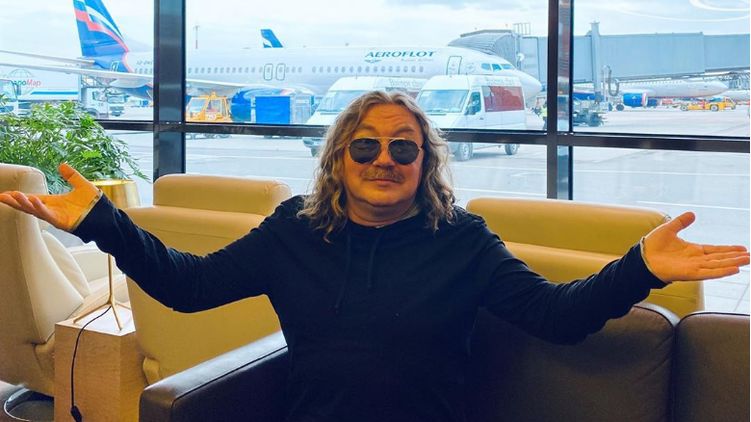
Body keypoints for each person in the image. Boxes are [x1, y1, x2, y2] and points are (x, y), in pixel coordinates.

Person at [1, 91, 748, 422]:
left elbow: (556, 316)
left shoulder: (462, 240)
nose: (383, 159)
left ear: (425, 165)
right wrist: (102, 222)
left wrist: (640, 266)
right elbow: (189, 287)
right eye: (365, 146)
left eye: (403, 148)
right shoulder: (295, 230)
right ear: (338, 160)